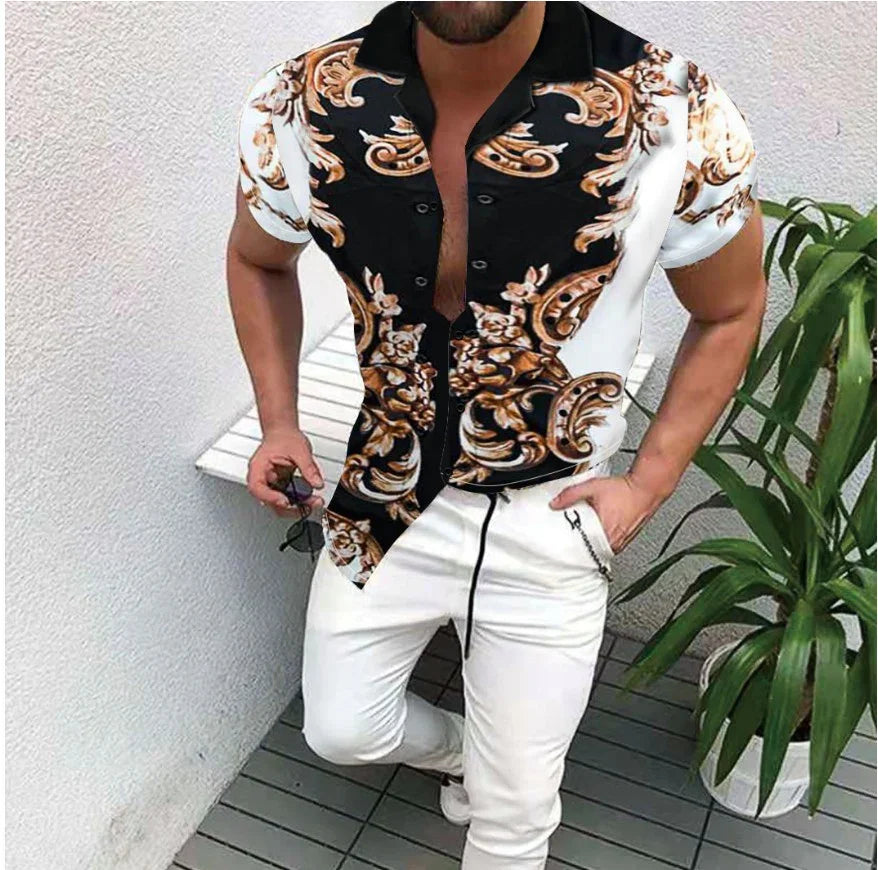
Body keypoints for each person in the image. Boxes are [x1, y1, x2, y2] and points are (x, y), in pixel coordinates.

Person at [227, 2, 766, 867]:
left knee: (515, 824)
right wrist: (278, 422)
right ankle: (468, 754)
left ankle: (503, 782)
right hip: (384, 487)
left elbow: (731, 307)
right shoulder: (301, 100)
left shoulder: (675, 108)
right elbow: (258, 259)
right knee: (340, 727)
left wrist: (649, 482)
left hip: (553, 517)